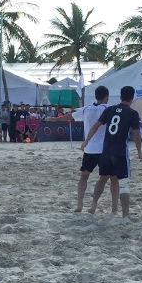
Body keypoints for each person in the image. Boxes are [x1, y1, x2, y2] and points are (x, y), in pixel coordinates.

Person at [81, 86, 142, 217]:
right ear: (132, 98)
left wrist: (86, 141)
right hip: (120, 151)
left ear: (120, 96)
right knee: (123, 183)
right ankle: (125, 215)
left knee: (103, 178)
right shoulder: (132, 113)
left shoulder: (110, 109)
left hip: (106, 150)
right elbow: (136, 135)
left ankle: (93, 204)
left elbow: (96, 126)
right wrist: (139, 150)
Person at [53, 86, 117, 214]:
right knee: (106, 177)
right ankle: (94, 203)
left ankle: (80, 203)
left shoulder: (87, 108)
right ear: (106, 97)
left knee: (84, 175)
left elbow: (69, 116)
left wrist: (54, 120)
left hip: (90, 149)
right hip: (104, 149)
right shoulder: (109, 109)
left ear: (95, 96)